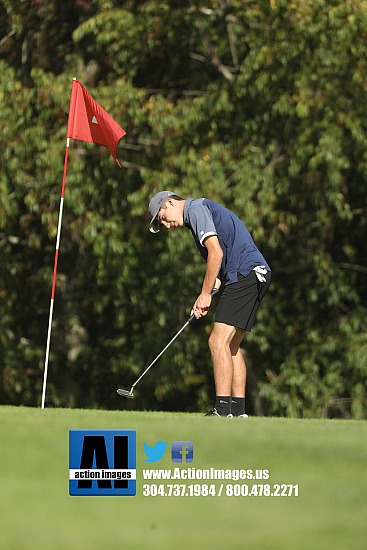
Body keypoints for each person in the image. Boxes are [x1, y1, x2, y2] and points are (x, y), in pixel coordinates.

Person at [148, 191, 271, 418]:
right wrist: (205, 296)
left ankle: (222, 411)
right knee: (231, 345)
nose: (166, 226)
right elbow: (218, 274)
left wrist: (205, 294)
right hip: (256, 274)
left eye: (163, 218)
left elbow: (216, 254)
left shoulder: (195, 210)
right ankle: (238, 411)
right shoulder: (198, 217)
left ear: (170, 202)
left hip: (246, 274)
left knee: (216, 341)